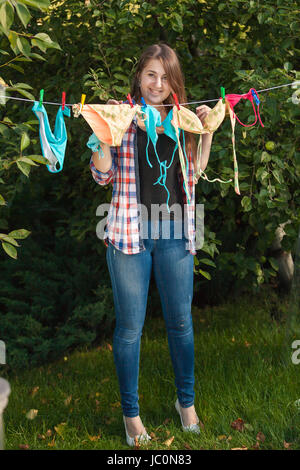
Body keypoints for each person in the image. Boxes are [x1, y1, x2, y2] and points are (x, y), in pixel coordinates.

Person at [89, 43, 213, 446]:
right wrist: (104, 134)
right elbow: (103, 176)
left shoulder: (182, 119)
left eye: (165, 77)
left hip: (175, 232)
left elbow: (195, 171)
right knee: (129, 329)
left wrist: (206, 131)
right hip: (129, 234)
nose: (157, 84)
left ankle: (186, 404)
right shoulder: (122, 117)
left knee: (181, 323)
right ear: (139, 77)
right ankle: (131, 416)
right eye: (150, 75)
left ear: (173, 81)